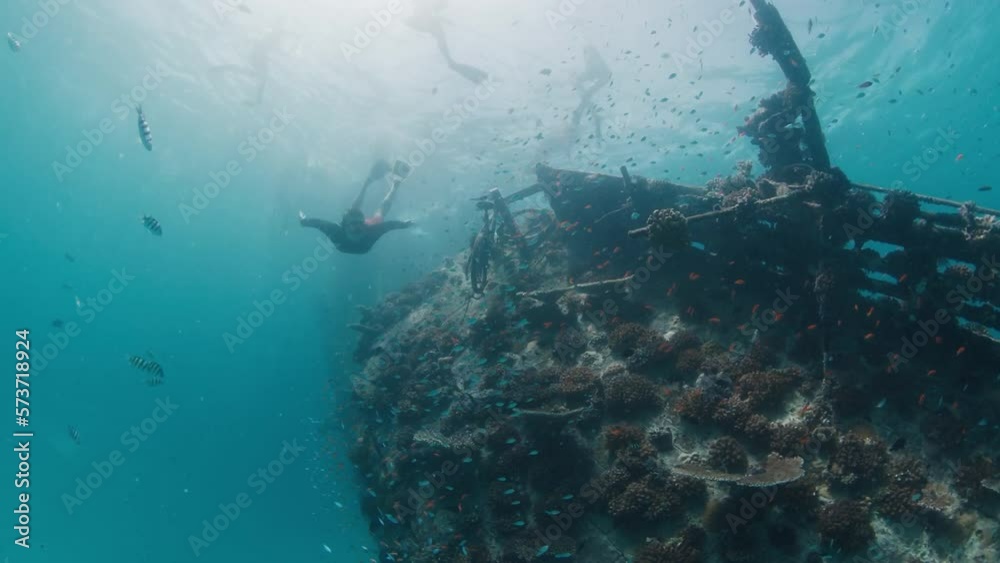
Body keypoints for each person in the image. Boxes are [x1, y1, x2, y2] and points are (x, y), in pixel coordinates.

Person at [300, 160, 414, 254]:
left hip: (361, 240)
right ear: (344, 227)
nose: (358, 227)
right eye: (354, 224)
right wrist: (404, 225)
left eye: (360, 223)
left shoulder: (367, 230)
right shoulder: (336, 232)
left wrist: (305, 221)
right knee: (374, 214)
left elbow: (316, 224)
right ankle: (383, 184)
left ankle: (381, 184)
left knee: (374, 214)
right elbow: (390, 225)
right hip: (361, 245)